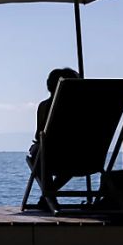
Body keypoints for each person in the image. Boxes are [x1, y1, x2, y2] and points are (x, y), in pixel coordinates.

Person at [27, 67, 79, 208]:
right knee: (44, 152)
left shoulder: (45, 106)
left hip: (52, 158)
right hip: (84, 157)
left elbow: (39, 134)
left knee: (38, 152)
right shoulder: (83, 110)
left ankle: (49, 196)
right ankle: (49, 196)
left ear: (50, 86)